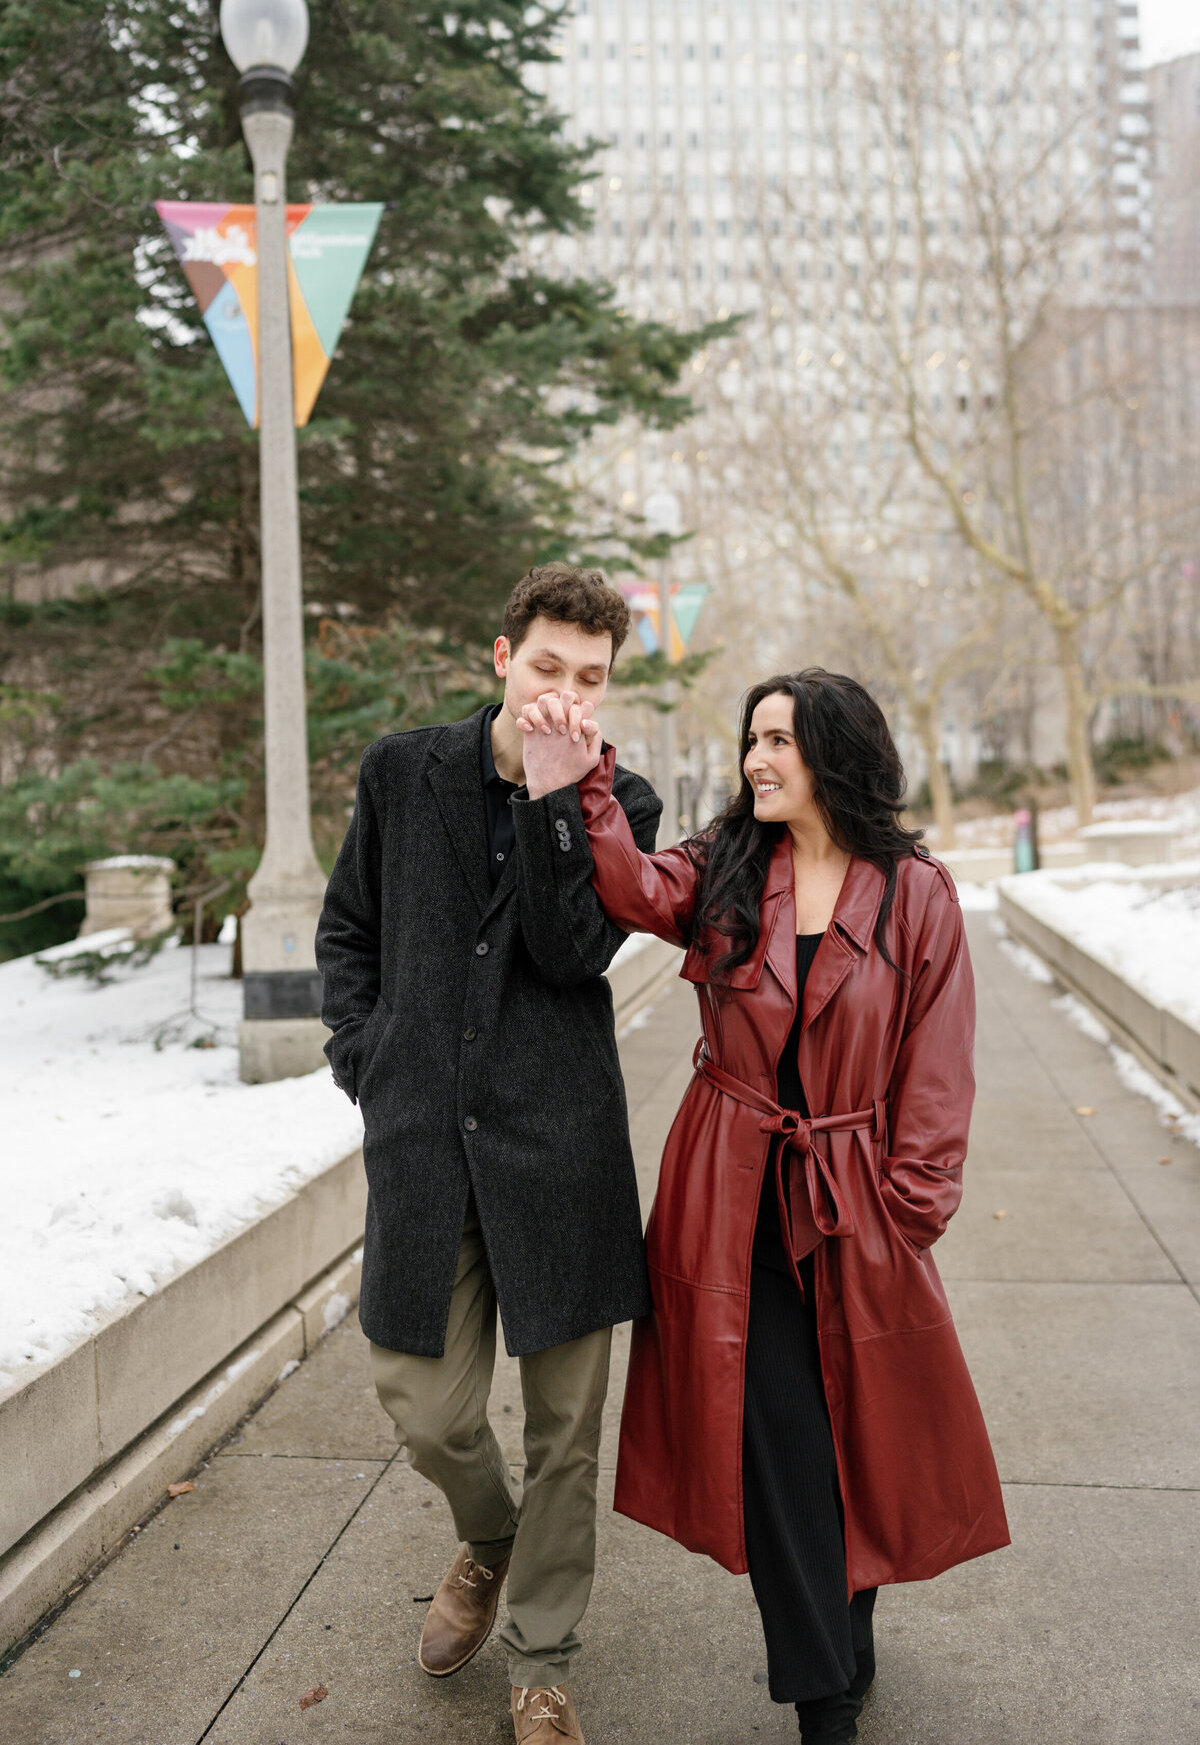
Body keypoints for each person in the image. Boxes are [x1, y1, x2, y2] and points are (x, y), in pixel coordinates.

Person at [517, 667, 1010, 1745]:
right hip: (730, 1197)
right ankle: (822, 1698)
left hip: (855, 1203)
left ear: (837, 751)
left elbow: (938, 1061)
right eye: (752, 739)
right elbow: (636, 890)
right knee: (775, 1435)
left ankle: (848, 1633)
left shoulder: (915, 891)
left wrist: (910, 1206)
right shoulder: (728, 865)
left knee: (852, 1438)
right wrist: (581, 786)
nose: (757, 759)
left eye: (779, 739)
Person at [315, 565, 661, 1745]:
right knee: (424, 1404)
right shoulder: (401, 772)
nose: (564, 693)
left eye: (591, 678)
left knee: (565, 1431)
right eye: (548, 666)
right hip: (421, 1141)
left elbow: (572, 956)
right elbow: (349, 926)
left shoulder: (628, 804)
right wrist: (367, 1055)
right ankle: (491, 1536)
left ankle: (545, 1658)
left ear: (608, 686)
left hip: (558, 1147)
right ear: (501, 658)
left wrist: (563, 803)